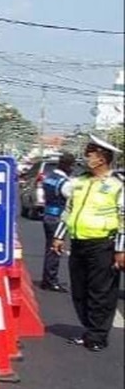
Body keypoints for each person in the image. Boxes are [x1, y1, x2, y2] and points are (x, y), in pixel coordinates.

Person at [51, 135, 124, 353]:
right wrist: (58, 236)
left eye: (90, 153)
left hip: (104, 244)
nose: (86, 157)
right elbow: (69, 211)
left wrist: (121, 249)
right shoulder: (79, 182)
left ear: (102, 158)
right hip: (79, 243)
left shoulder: (116, 185)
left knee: (101, 292)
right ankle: (88, 328)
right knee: (79, 290)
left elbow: (123, 220)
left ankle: (97, 335)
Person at [40, 152, 77, 292]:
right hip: (58, 218)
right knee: (55, 249)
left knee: (49, 248)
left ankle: (47, 279)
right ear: (68, 165)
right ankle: (50, 280)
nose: (72, 169)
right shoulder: (65, 183)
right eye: (72, 166)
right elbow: (71, 200)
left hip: (47, 214)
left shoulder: (49, 178)